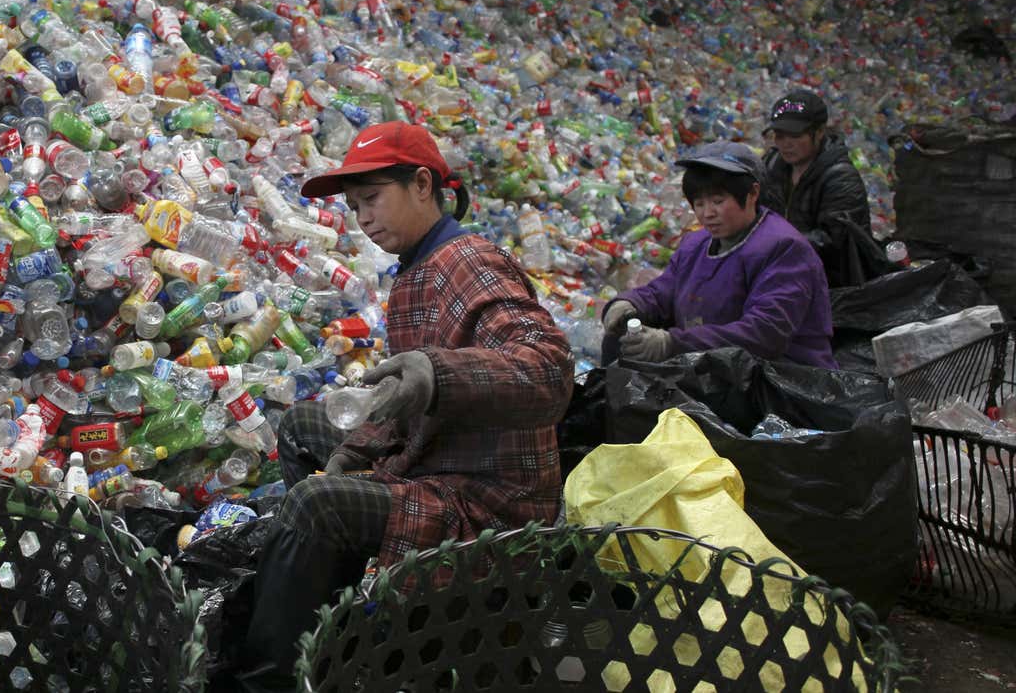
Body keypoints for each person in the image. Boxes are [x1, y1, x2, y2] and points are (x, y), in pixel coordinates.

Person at [232, 122, 573, 691]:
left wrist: (439, 374)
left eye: (372, 199)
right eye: (355, 206)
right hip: (437, 458)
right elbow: (409, 404)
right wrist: (357, 447)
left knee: (318, 504)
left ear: (421, 185)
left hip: (487, 501)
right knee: (303, 428)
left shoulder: (470, 264)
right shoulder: (417, 268)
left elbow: (550, 372)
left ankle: (270, 677)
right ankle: (333, 599)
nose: (363, 219)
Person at [601, 141, 838, 369]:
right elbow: (666, 289)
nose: (707, 214)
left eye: (718, 201)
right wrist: (630, 303)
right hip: (715, 368)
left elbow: (765, 333)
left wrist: (672, 343)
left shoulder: (784, 249)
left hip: (782, 377)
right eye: (699, 203)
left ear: (753, 193)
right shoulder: (696, 244)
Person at [757, 91, 873, 286]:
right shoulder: (772, 165)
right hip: (781, 272)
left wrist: (775, 245)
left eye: (795, 135)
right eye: (780, 135)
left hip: (828, 282)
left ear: (819, 132)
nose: (786, 144)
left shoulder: (840, 177)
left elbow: (836, 242)